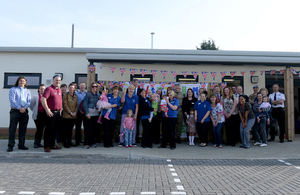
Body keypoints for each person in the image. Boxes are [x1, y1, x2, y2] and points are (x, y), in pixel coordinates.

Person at [7, 76, 31, 152]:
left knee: (23, 129)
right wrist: (19, 108)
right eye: (20, 81)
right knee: (12, 129)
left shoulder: (27, 91)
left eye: (23, 81)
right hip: (15, 111)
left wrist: (24, 108)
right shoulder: (13, 89)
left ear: (25, 82)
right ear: (18, 81)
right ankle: (10, 145)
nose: (22, 82)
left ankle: (21, 144)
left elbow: (29, 101)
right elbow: (12, 100)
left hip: (24, 111)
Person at [41, 75, 63, 153]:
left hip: (58, 113)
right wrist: (47, 109)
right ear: (53, 80)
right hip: (50, 113)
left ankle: (52, 145)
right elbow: (43, 99)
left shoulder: (59, 90)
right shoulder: (49, 89)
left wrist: (61, 109)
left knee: (54, 130)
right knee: (49, 130)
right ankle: (47, 146)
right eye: (56, 80)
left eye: (59, 80)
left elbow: (60, 101)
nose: (58, 82)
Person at [82, 82, 100, 149]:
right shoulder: (88, 94)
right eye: (93, 86)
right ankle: (86, 143)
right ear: (91, 87)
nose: (94, 88)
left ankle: (93, 142)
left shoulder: (98, 95)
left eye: (96, 86)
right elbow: (85, 104)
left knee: (94, 129)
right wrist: (87, 113)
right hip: (90, 113)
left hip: (96, 114)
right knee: (88, 129)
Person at [29, 84, 46, 148]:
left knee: (42, 129)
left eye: (44, 89)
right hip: (37, 115)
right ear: (39, 89)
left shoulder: (46, 96)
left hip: (44, 114)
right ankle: (36, 143)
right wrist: (34, 111)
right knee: (39, 129)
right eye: (41, 89)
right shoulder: (35, 96)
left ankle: (39, 143)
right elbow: (31, 105)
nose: (42, 90)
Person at [62, 83, 78, 148]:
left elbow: (77, 105)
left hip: (74, 116)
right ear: (68, 88)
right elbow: (65, 105)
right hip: (67, 116)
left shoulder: (75, 95)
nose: (72, 89)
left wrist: (75, 112)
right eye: (70, 87)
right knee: (66, 130)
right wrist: (70, 112)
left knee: (70, 130)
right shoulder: (66, 95)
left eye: (73, 88)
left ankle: (70, 141)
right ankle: (66, 143)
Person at [75, 82, 87, 146]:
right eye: (81, 85)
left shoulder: (87, 94)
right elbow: (75, 103)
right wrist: (79, 110)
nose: (82, 86)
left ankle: (85, 141)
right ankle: (78, 141)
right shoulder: (76, 94)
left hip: (85, 113)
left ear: (85, 86)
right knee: (78, 127)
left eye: (83, 85)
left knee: (86, 127)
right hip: (78, 112)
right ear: (79, 87)